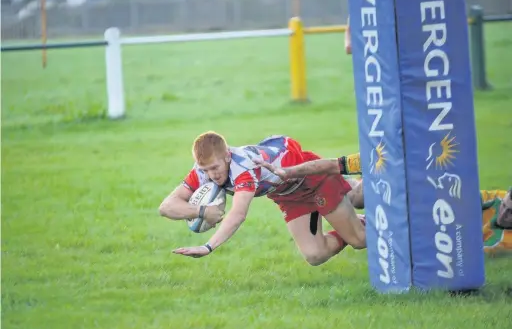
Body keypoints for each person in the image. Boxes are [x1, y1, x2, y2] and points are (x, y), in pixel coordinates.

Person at [159, 131, 364, 266]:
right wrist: (202, 211)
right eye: (206, 169)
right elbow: (166, 207)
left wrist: (208, 246)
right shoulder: (203, 171)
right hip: (288, 195)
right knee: (315, 255)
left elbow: (238, 214)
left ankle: (379, 176)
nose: (212, 175)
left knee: (360, 237)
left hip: (311, 178)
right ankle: (359, 215)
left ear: (227, 156)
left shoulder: (243, 168)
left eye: (215, 168)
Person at [254, 157, 512, 255]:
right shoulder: (491, 196)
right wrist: (287, 172)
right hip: (411, 195)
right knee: (357, 197)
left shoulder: (503, 242)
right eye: (509, 201)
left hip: (425, 224)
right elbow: (333, 164)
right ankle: (346, 192)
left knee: (355, 240)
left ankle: (368, 220)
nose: (507, 208)